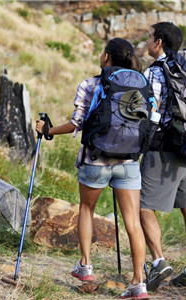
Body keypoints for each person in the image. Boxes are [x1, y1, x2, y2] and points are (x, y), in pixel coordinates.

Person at [36, 38, 149, 299]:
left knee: (87, 209)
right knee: (133, 222)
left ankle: (86, 267)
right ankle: (138, 284)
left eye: (102, 52)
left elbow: (77, 123)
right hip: (129, 161)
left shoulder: (90, 84)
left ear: (107, 57)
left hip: (96, 160)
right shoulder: (141, 85)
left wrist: (47, 131)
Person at [140, 22, 186, 291]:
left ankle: (158, 262)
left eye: (149, 38)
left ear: (159, 43)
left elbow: (150, 112)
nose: (146, 42)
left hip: (163, 147)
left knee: (142, 205)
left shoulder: (154, 72)